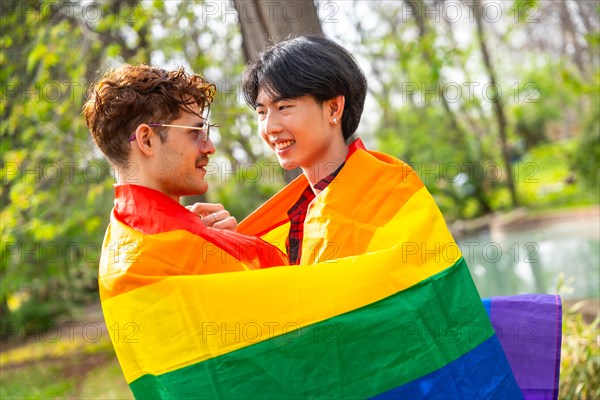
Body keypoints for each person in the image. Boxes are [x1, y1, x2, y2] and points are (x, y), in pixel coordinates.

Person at [236, 36, 531, 398]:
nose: (270, 127)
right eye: (262, 112)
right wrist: (225, 245)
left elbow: (425, 302)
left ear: (333, 108)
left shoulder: (390, 190)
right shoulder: (295, 213)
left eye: (284, 107)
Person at [83, 64, 289, 396]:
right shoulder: (172, 245)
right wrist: (236, 249)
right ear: (147, 140)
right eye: (195, 132)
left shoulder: (123, 235)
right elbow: (294, 314)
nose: (209, 147)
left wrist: (226, 241)